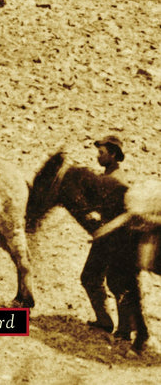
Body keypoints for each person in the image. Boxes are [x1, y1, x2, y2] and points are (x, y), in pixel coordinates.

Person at [81, 134, 127, 334]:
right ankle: (109, 322)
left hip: (113, 239)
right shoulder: (108, 175)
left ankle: (120, 327)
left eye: (101, 153)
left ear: (113, 154)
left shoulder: (116, 179)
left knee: (106, 280)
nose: (97, 156)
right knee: (96, 278)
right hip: (107, 237)